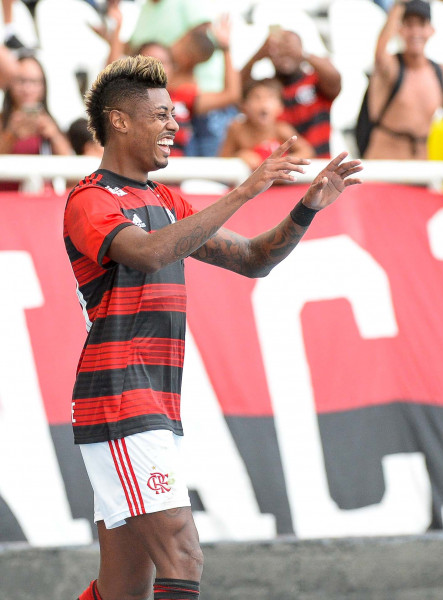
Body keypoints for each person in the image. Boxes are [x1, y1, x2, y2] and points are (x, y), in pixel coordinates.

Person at [65, 55, 361, 600]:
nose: (174, 124)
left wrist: (306, 208)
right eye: (160, 114)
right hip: (120, 400)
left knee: (125, 587)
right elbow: (149, 253)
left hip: (150, 400)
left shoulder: (164, 199)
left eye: (174, 114)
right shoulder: (91, 199)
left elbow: (253, 258)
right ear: (120, 121)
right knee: (183, 555)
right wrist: (245, 190)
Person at [364, 0, 443, 160]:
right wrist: (398, 6)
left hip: (420, 165)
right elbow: (380, 54)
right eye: (409, 25)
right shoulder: (392, 67)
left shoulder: (442, 74)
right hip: (385, 162)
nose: (415, 32)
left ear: (431, 30)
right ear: (400, 29)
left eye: (421, 25)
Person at [132, 17, 240, 157]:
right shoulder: (124, 99)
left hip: (176, 168)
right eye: (147, 60)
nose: (155, 67)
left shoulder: (183, 96)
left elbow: (231, 94)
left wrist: (225, 48)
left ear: (171, 68)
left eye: (163, 62)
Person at [241, 28, 341, 158]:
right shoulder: (266, 91)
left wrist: (304, 54)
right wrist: (258, 55)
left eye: (290, 48)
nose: (285, 53)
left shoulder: (316, 82)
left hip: (320, 164)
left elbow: (335, 80)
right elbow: (238, 92)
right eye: (279, 49)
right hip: (281, 168)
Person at [220, 78, 314, 168]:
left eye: (270, 97)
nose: (263, 103)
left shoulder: (281, 129)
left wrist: (283, 162)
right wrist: (239, 156)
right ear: (244, 106)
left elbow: (307, 151)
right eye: (257, 97)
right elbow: (222, 159)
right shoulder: (237, 129)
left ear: (280, 107)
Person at [0, 54, 72, 157]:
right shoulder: (2, 121)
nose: (27, 89)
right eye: (21, 81)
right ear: (10, 84)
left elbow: (68, 159)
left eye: (34, 81)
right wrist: (11, 134)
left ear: (43, 86)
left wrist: (54, 136)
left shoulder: (50, 123)